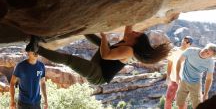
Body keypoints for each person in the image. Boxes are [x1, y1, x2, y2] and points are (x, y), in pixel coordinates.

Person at [26, 25, 172, 85]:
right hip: (100, 63)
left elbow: (107, 54)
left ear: (136, 42)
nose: (134, 32)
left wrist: (103, 36)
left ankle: (35, 48)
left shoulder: (129, 51)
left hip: (98, 76)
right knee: (103, 43)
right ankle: (80, 28)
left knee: (69, 60)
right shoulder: (128, 40)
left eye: (137, 34)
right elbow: (129, 24)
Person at [176, 43, 216, 109]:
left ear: (210, 57)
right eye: (206, 50)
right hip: (183, 81)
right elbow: (179, 61)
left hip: (195, 84)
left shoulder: (210, 62)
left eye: (208, 54)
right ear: (204, 47)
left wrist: (205, 93)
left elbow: (209, 78)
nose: (204, 52)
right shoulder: (191, 51)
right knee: (180, 103)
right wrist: (177, 75)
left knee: (197, 106)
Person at [10, 44, 48, 109]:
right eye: (33, 50)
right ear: (28, 53)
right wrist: (12, 101)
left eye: (36, 50)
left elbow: (43, 83)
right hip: (23, 103)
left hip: (37, 103)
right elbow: (12, 84)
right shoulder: (20, 66)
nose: (35, 52)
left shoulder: (41, 66)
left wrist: (46, 100)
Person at [164, 36, 193, 109]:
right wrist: (168, 77)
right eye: (184, 40)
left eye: (187, 41)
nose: (184, 42)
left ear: (190, 44)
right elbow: (169, 63)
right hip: (173, 80)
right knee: (168, 99)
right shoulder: (174, 50)